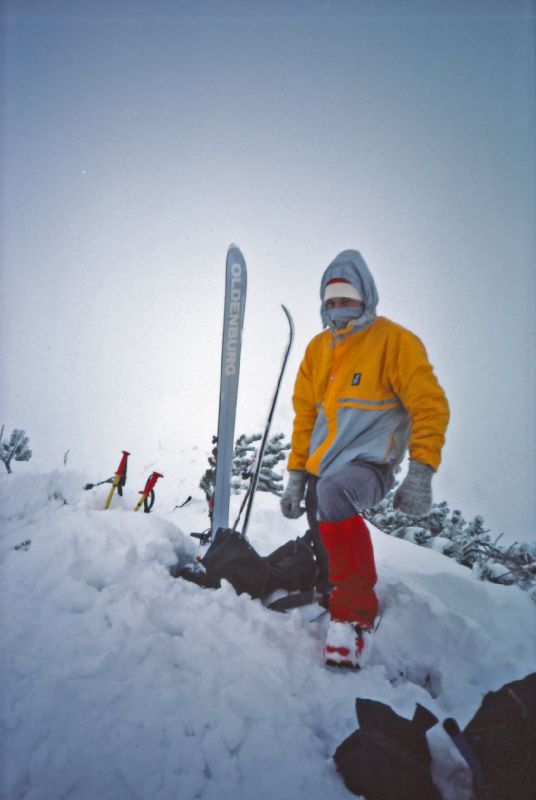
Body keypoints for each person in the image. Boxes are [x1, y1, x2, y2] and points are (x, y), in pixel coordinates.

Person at [280, 250, 450, 668]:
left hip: (369, 467)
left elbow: (429, 405)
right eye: (331, 301)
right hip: (323, 470)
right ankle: (331, 584)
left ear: (366, 297)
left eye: (348, 299)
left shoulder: (395, 342)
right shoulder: (318, 349)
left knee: (336, 494)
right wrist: (296, 475)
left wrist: (421, 471)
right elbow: (305, 416)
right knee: (322, 512)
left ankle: (354, 613)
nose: (339, 309)